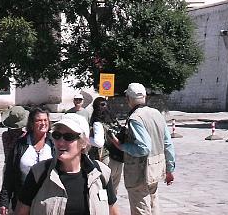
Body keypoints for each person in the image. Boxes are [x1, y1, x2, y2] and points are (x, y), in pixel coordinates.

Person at [15, 113, 119, 215]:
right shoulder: (39, 172)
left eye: (68, 137)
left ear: (83, 142)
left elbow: (113, 211)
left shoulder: (101, 173)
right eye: (57, 135)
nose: (60, 142)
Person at [109, 83, 175, 215]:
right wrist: (170, 169)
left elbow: (144, 148)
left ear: (128, 98)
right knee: (153, 205)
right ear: (145, 96)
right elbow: (167, 143)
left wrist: (120, 145)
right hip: (156, 168)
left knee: (141, 209)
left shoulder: (135, 118)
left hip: (139, 172)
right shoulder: (156, 113)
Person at [0, 107, 55, 215]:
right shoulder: (20, 145)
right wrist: (4, 201)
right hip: (23, 199)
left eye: (45, 120)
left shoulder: (54, 143)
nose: (43, 123)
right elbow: (9, 174)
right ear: (32, 124)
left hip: (48, 199)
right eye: (39, 120)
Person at [90, 97, 123, 193]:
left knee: (103, 190)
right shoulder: (114, 121)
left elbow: (98, 142)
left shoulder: (97, 123)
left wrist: (86, 139)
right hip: (118, 159)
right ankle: (112, 208)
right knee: (114, 191)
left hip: (106, 159)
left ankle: (105, 208)